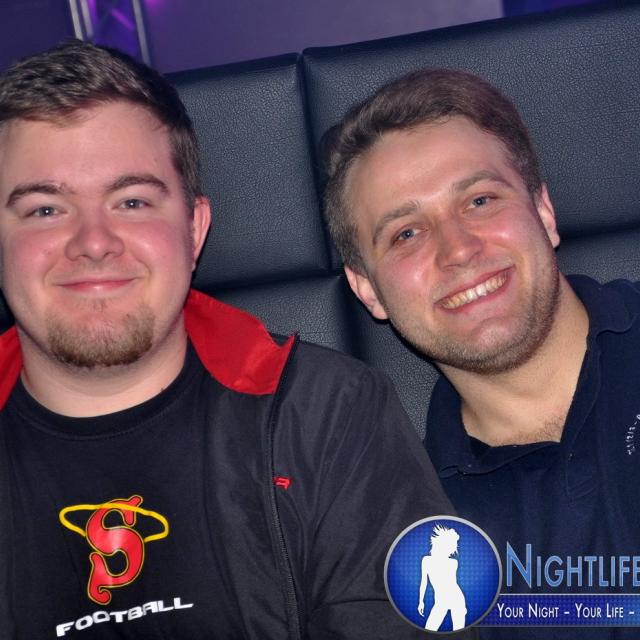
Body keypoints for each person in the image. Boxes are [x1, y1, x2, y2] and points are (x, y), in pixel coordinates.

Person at [0, 42, 457, 639]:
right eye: (45, 210)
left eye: (132, 201)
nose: (93, 242)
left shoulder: (326, 415)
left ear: (194, 230)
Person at [323, 67, 640, 638]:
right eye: (406, 233)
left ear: (544, 211)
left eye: (479, 200)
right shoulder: (415, 528)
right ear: (367, 289)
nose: (458, 250)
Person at [418, 525, 466, 632]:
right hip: (440, 601)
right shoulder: (426, 560)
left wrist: (462, 608)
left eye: (453, 546)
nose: (453, 549)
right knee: (429, 629)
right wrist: (421, 601)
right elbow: (423, 582)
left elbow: (452, 584)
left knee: (459, 632)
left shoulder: (453, 563)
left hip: (456, 599)